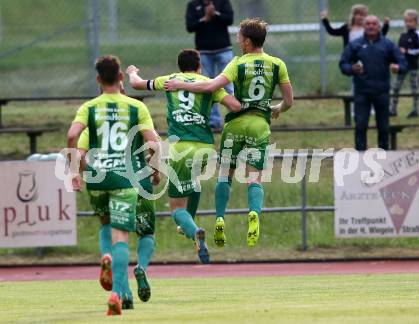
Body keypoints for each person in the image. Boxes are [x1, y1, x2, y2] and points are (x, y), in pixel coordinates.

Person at [165, 18, 294, 248]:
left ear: (246, 41)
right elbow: (289, 101)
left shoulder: (237, 63)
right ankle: (253, 213)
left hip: (235, 124)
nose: (237, 40)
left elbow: (211, 86)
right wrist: (276, 109)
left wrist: (181, 85)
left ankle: (220, 218)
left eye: (239, 37)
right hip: (259, 125)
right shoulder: (277, 64)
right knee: (254, 178)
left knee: (225, 174)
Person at [125, 49, 241, 263]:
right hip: (205, 146)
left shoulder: (170, 80)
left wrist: (132, 72)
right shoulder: (209, 83)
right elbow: (235, 105)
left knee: (176, 208)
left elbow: (138, 84)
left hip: (180, 148)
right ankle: (189, 227)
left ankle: (192, 229)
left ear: (179, 66)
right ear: (199, 66)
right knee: (193, 181)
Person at [67, 55, 161, 316]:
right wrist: (156, 169)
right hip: (128, 179)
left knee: (106, 226)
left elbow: (74, 136)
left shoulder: (90, 109)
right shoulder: (135, 108)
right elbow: (154, 143)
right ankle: (119, 293)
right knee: (127, 235)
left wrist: (76, 171)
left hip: (98, 178)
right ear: (121, 79)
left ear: (98, 79)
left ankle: (106, 258)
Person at [339, 16, 407, 151]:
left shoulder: (388, 44)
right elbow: (343, 63)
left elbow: (403, 63)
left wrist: (398, 68)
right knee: (360, 125)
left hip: (381, 91)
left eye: (374, 24)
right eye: (368, 24)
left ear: (379, 27)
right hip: (361, 92)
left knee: (383, 126)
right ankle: (360, 155)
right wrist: (351, 69)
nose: (371, 26)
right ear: (364, 26)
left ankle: (384, 155)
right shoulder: (355, 44)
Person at [186, 0, 234, 130]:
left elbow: (229, 19)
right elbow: (190, 26)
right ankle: (214, 121)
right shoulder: (193, 5)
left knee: (229, 84)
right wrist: (205, 18)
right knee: (207, 86)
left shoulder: (222, 3)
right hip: (204, 52)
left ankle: (236, 116)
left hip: (224, 49)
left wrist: (215, 13)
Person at [390, 9, 419, 118]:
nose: (408, 24)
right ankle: (393, 110)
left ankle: (415, 110)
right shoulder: (403, 35)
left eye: (410, 21)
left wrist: (408, 52)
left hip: (413, 66)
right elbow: (399, 51)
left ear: (416, 22)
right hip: (402, 66)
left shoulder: (418, 35)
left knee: (414, 88)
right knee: (396, 87)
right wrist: (395, 62)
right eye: (406, 21)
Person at [321, 4, 390, 49]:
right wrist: (324, 20)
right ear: (354, 15)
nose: (361, 17)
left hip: (366, 56)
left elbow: (381, 35)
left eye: (364, 15)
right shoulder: (347, 28)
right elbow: (332, 32)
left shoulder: (368, 28)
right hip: (351, 57)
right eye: (359, 15)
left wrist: (386, 25)